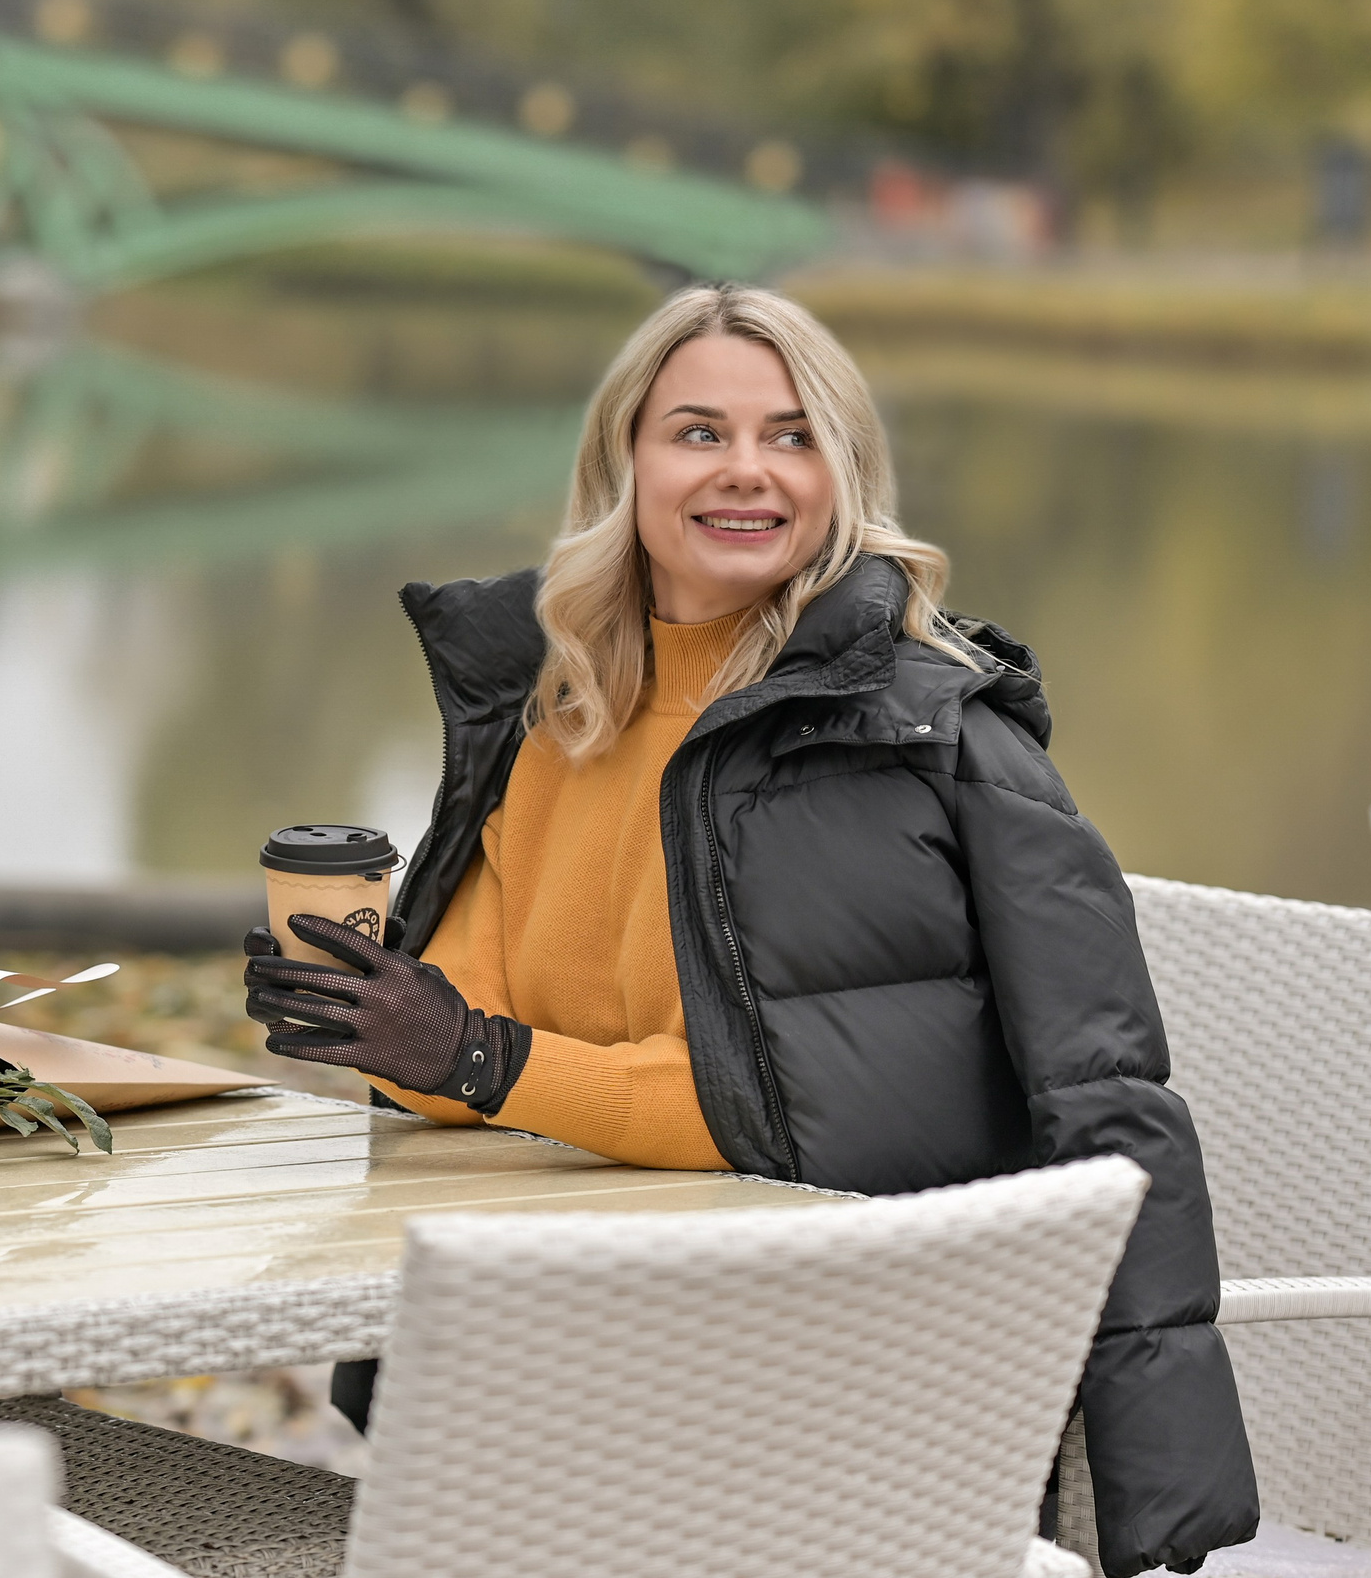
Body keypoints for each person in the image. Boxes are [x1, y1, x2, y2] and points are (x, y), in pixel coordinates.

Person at [243, 283, 1258, 1575]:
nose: (748, 472)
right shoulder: (552, 714)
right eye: (700, 433)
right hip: (582, 1340)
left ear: (843, 473)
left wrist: (1156, 1468)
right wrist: (367, 1017)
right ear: (626, 461)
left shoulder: (925, 736)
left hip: (841, 1375)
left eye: (791, 436)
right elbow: (464, 1065)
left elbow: (791, 1108)